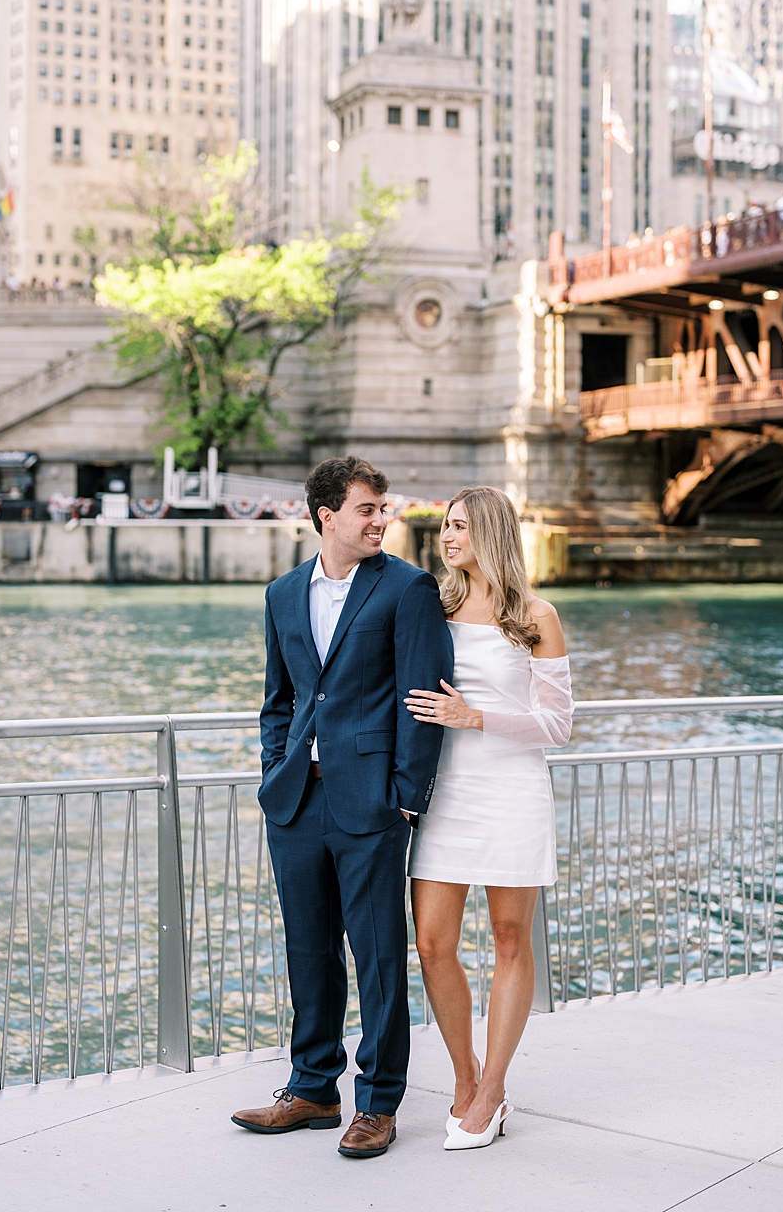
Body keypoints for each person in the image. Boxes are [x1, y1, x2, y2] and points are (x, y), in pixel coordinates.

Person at [232, 455, 451, 1160]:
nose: (381, 521)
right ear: (327, 516)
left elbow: (424, 702)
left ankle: (378, 1101)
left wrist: (405, 799)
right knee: (309, 950)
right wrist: (275, 771)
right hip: (297, 801)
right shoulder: (282, 593)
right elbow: (279, 700)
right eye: (367, 510)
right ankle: (312, 1088)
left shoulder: (408, 589)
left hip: (373, 805)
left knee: (379, 957)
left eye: (384, 509)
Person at [402, 485, 572, 1151]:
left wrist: (477, 717)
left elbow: (558, 725)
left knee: (509, 939)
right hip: (446, 794)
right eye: (445, 527)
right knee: (432, 943)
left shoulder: (535, 615)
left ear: (492, 533)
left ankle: (494, 1089)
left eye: (461, 528)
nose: (447, 538)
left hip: (512, 791)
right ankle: (463, 1074)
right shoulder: (430, 609)